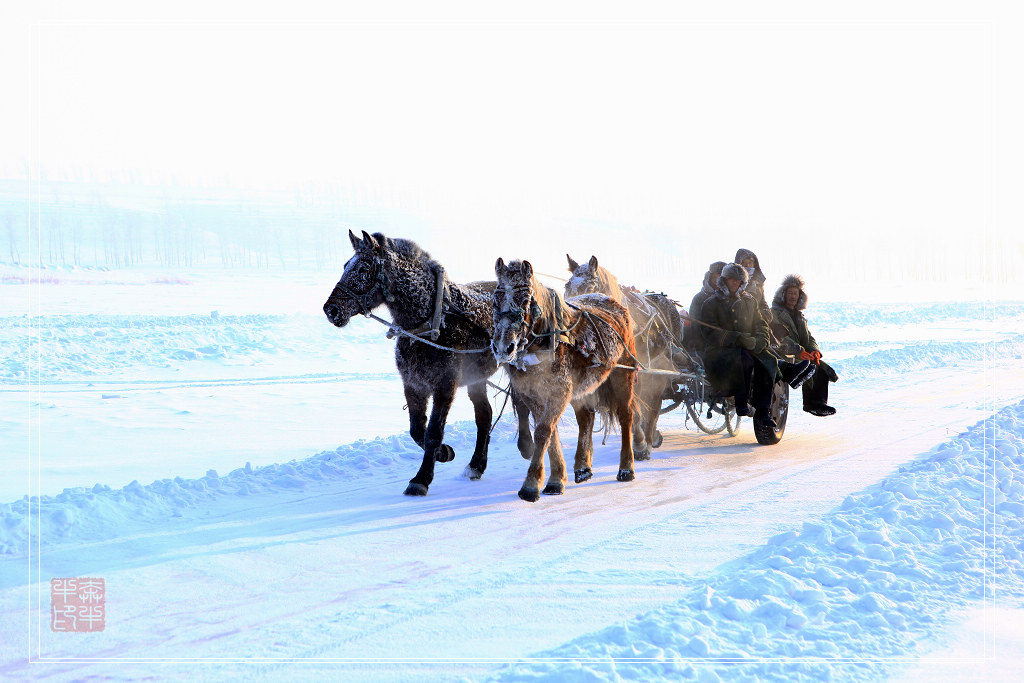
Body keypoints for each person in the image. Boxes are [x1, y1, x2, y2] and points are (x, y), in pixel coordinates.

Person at [699, 263, 812, 429]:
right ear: (725, 280)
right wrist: (738, 338)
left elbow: (761, 324)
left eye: (737, 280)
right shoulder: (712, 303)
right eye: (731, 279)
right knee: (745, 358)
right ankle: (742, 402)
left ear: (742, 282)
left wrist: (760, 340)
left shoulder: (749, 301)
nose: (734, 283)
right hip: (719, 351)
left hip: (748, 346)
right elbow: (709, 332)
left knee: (765, 361)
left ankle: (763, 411)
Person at [770, 274, 839, 416]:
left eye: (796, 293)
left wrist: (814, 351)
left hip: (798, 353)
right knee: (809, 367)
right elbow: (778, 336)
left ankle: (817, 403)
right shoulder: (774, 313)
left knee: (820, 367)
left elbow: (808, 337)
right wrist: (799, 351)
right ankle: (811, 403)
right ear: (783, 295)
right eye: (790, 293)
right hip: (782, 352)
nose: (793, 296)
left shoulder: (799, 316)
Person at [682, 261, 727, 352]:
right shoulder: (699, 298)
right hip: (705, 343)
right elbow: (696, 325)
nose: (716, 281)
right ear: (709, 277)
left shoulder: (731, 296)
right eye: (714, 277)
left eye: (720, 278)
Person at [735, 248, 772, 322]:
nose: (747, 265)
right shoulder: (734, 281)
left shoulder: (758, 284)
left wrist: (765, 315)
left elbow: (763, 302)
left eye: (750, 262)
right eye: (744, 263)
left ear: (754, 264)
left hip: (758, 322)